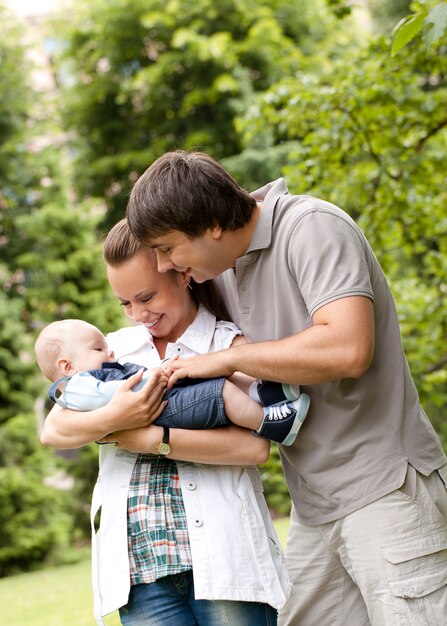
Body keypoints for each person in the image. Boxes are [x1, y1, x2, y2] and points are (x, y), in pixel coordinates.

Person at [125, 149, 447, 626]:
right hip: (315, 506)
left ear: (212, 223)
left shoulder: (311, 227)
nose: (166, 264)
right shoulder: (223, 270)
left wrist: (230, 357)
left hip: (387, 491)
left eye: (169, 248)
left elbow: (347, 348)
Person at [40, 219, 290, 626]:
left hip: (223, 560)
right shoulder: (110, 350)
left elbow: (255, 447)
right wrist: (121, 416)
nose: (138, 314)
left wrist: (154, 437)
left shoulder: (227, 345)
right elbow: (55, 429)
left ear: (183, 273)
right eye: (125, 303)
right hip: (141, 569)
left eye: (146, 296)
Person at [35, 318, 309, 446]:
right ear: (66, 366)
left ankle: (265, 392)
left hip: (161, 398)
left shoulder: (98, 369)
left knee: (208, 374)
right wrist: (152, 377)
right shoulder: (78, 386)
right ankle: (270, 423)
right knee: (219, 391)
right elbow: (111, 394)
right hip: (162, 409)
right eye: (98, 349)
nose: (110, 352)